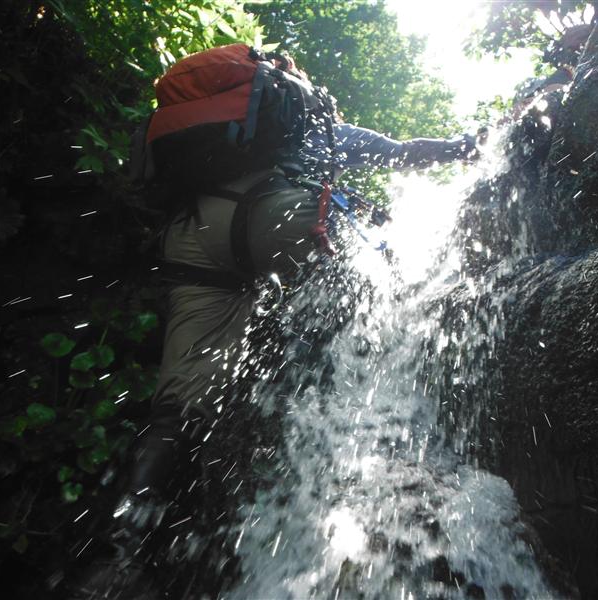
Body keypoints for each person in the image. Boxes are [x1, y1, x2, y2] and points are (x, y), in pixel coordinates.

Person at [70, 51, 483, 599]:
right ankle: (353, 398)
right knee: (377, 277)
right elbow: (403, 156)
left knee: (178, 407)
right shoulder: (317, 125)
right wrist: (469, 146)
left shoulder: (207, 139)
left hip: (195, 236)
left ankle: (122, 551)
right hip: (278, 216)